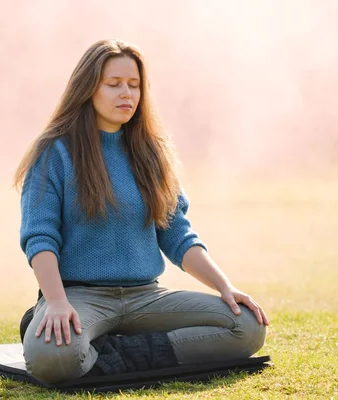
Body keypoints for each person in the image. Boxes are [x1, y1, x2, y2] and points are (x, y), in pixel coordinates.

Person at [14, 39, 269, 384]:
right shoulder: (55, 153)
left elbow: (178, 235)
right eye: (114, 84)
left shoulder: (152, 153)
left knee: (246, 326)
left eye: (134, 86)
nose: (127, 94)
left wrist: (225, 287)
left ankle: (113, 351)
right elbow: (40, 238)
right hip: (80, 295)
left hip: (145, 297)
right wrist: (57, 303)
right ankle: (84, 337)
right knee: (51, 357)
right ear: (88, 87)